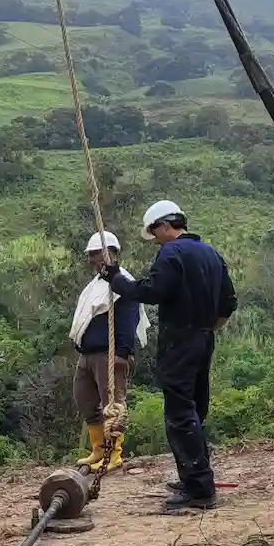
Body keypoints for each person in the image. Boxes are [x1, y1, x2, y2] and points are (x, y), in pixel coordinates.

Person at [100, 201, 237, 510]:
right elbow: (229, 302)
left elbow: (151, 291)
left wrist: (116, 279)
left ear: (164, 226)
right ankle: (196, 477)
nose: (156, 239)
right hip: (204, 338)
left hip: (181, 340)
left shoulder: (172, 252)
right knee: (195, 409)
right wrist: (208, 327)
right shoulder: (211, 253)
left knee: (179, 413)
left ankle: (199, 490)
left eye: (154, 233)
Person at [69, 230, 150, 471]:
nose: (92, 259)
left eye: (95, 253)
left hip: (109, 353)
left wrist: (123, 352)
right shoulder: (96, 284)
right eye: (90, 254)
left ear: (109, 253)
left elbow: (128, 317)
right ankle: (98, 449)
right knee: (84, 398)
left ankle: (114, 453)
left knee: (112, 403)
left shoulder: (121, 281)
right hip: (88, 354)